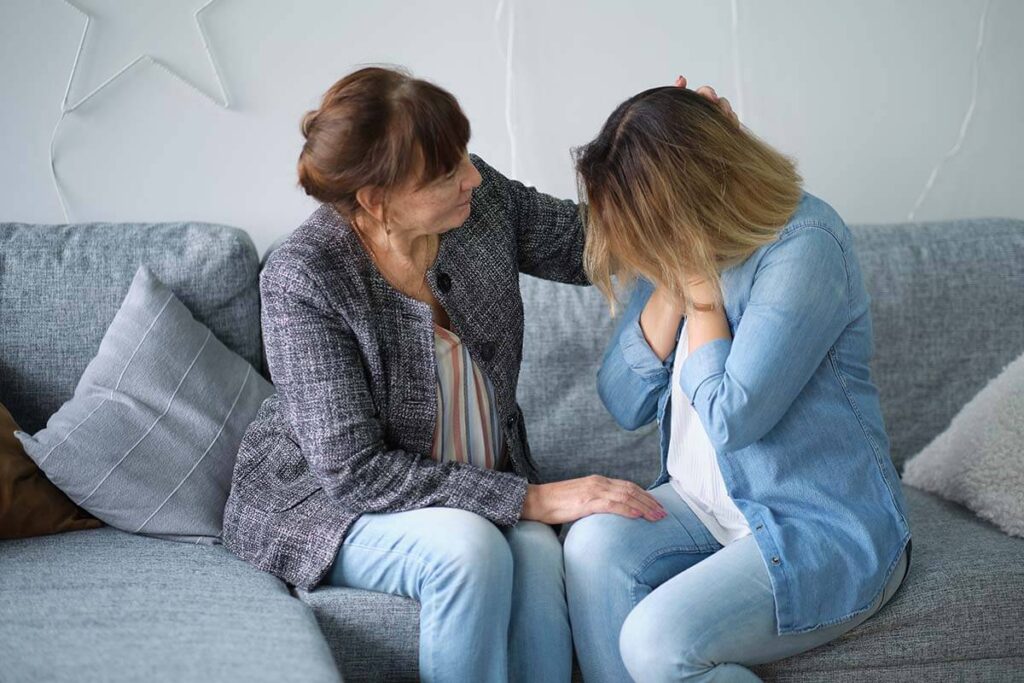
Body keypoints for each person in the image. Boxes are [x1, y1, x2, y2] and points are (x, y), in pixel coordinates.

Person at [220, 67, 734, 682]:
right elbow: (354, 474)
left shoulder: (478, 200)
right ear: (376, 201)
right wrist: (533, 497)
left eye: (463, 154)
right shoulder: (304, 279)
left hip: (478, 486)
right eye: (445, 173)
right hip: (330, 505)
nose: (471, 175)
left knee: (541, 556)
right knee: (469, 552)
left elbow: (592, 242)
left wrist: (684, 158)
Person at [563, 85, 912, 682]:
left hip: (815, 525)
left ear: (692, 194)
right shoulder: (681, 245)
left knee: (655, 641)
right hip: (707, 506)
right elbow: (621, 400)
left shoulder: (806, 243)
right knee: (591, 544)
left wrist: (700, 295)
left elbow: (732, 418)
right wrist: (673, 283)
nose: (639, 246)